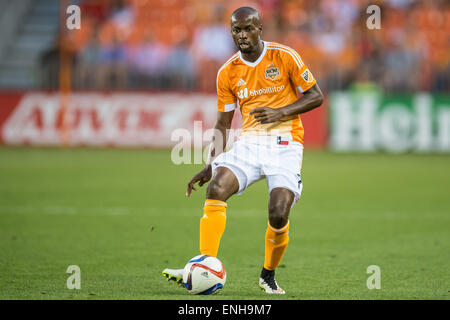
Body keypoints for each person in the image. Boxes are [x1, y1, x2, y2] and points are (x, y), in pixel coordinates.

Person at [162, 6, 323, 294]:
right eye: (237, 30)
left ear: (260, 28)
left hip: (285, 144)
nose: (243, 35)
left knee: (278, 212)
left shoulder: (284, 56)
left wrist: (280, 112)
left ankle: (268, 275)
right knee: (216, 188)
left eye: (248, 28)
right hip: (249, 143)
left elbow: (316, 96)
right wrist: (211, 164)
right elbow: (223, 123)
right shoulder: (227, 73)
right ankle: (204, 264)